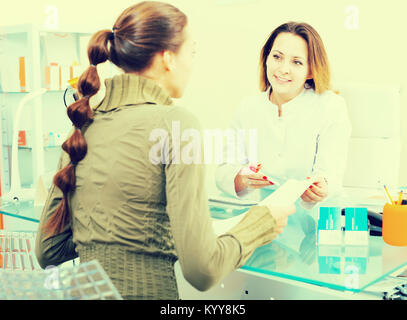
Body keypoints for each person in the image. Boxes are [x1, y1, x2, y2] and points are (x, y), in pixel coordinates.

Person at [35, 1, 295, 300]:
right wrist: (260, 223)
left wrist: (131, 231)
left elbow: (49, 251)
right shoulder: (177, 124)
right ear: (169, 58)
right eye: (192, 52)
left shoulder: (82, 127)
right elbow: (202, 270)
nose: (192, 63)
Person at [216, 22, 352, 206]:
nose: (283, 69)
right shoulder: (248, 108)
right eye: (277, 57)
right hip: (261, 220)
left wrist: (322, 187)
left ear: (311, 70)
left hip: (314, 222)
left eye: (297, 62)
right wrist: (241, 179)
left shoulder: (330, 106)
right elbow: (223, 172)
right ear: (266, 58)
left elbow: (330, 175)